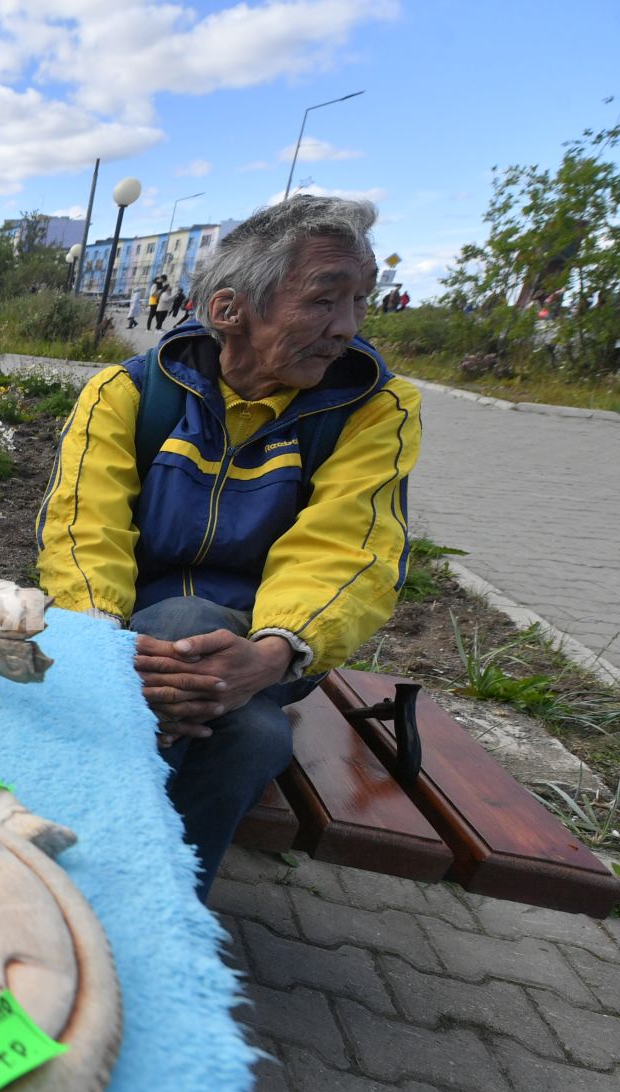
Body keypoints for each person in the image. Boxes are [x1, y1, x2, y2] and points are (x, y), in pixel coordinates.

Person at [34, 195, 420, 900]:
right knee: (254, 740)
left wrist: (273, 652)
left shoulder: (372, 411)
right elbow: (83, 531)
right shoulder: (129, 394)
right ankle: (159, 919)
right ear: (230, 310)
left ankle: (65, 892)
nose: (348, 329)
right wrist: (107, 650)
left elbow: (348, 552)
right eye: (324, 301)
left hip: (274, 647)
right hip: (126, 638)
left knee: (192, 633)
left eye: (360, 302)